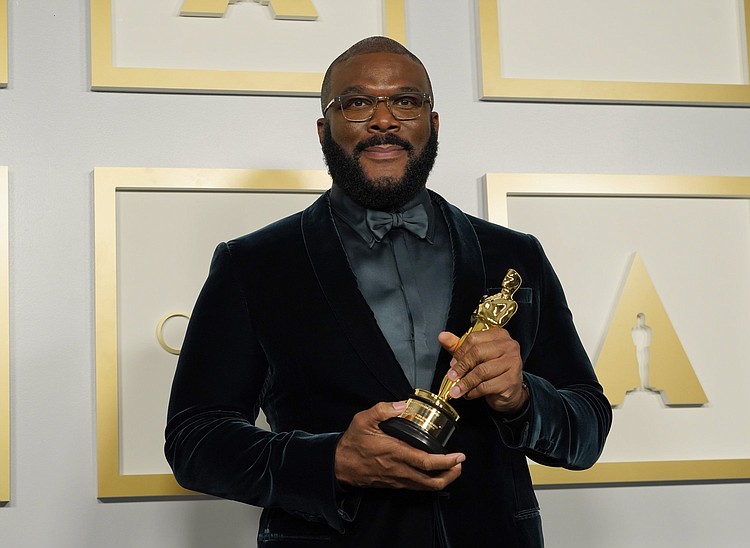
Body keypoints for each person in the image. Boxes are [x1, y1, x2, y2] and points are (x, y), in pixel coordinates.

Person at [165, 36, 612, 548]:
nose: (384, 119)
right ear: (323, 129)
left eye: (405, 100)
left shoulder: (515, 256)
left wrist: (521, 398)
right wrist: (332, 461)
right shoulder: (253, 264)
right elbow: (194, 441)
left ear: (433, 123)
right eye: (357, 103)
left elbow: (588, 429)